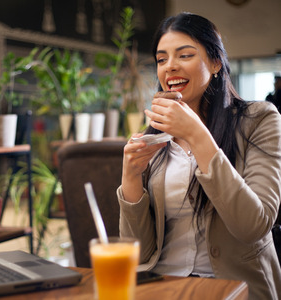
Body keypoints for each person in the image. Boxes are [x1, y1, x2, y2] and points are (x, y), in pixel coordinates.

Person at [117, 12, 281, 300]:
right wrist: (130, 177)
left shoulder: (259, 120)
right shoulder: (153, 139)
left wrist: (197, 135)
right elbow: (138, 253)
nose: (170, 67)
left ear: (216, 62)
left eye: (184, 55)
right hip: (162, 286)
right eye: (161, 59)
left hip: (234, 288)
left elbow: (253, 226)